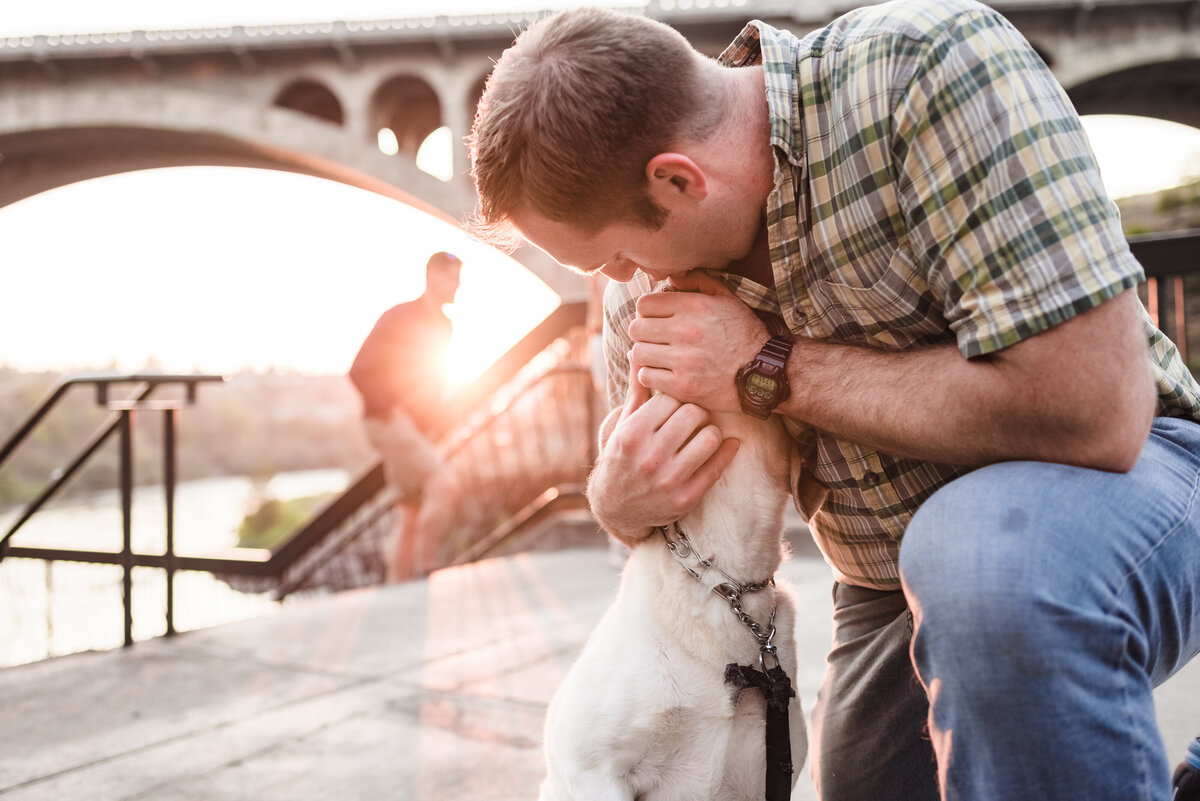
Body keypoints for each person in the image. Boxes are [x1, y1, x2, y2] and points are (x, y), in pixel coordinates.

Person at [467, 2, 1200, 800]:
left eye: (612, 253)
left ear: (677, 178)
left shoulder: (924, 69)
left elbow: (1099, 409)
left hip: (1135, 483)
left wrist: (767, 365)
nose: (616, 280)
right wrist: (615, 497)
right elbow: (668, 520)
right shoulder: (646, 294)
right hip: (888, 586)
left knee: (976, 559)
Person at [349, 251, 462, 582]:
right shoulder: (398, 317)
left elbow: (433, 381)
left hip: (411, 428)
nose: (458, 286)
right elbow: (357, 371)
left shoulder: (445, 325)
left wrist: (432, 424)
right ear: (433, 278)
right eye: (453, 278)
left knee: (408, 512)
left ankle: (396, 586)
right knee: (445, 483)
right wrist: (391, 410)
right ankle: (425, 570)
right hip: (386, 422)